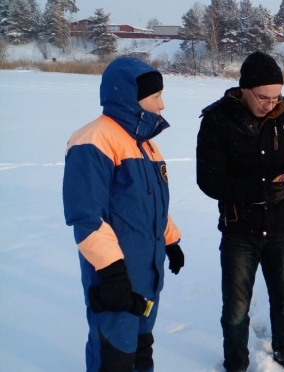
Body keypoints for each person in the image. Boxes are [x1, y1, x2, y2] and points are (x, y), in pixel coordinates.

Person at [196, 51, 284, 372]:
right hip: (239, 232)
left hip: (280, 228)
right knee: (236, 308)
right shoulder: (217, 120)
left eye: (276, 96)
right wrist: (256, 190)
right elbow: (208, 180)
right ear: (244, 89)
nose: (270, 103)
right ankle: (236, 363)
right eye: (263, 97)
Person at [62, 56, 185, 372]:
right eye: (156, 96)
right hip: (115, 278)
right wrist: (112, 273)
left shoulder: (144, 143)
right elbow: (86, 217)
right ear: (131, 96)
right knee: (115, 355)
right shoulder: (92, 140)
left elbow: (149, 205)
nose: (162, 105)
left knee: (142, 350)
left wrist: (170, 241)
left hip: (147, 274)